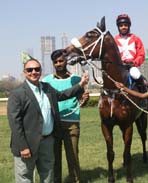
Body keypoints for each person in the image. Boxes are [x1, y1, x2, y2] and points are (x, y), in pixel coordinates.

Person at [7, 54, 88, 183]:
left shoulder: (46, 88)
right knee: (25, 178)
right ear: (24, 73)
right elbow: (15, 123)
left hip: (47, 142)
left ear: (41, 71)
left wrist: (80, 84)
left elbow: (62, 95)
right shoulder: (17, 94)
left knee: (48, 176)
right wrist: (23, 146)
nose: (34, 72)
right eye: (30, 70)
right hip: (27, 144)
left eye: (37, 69)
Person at [43, 49, 89, 183]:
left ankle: (75, 180)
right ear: (53, 63)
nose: (58, 64)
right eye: (56, 62)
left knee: (73, 156)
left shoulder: (76, 79)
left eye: (61, 60)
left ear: (66, 61)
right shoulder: (47, 80)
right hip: (54, 124)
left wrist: (84, 99)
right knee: (55, 158)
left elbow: (82, 102)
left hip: (72, 123)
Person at [114, 13, 146, 91]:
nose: (123, 27)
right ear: (118, 27)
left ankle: (143, 96)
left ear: (129, 26)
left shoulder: (135, 38)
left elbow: (141, 54)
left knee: (136, 74)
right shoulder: (114, 40)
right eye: (121, 25)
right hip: (119, 68)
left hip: (131, 67)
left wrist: (134, 63)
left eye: (125, 25)